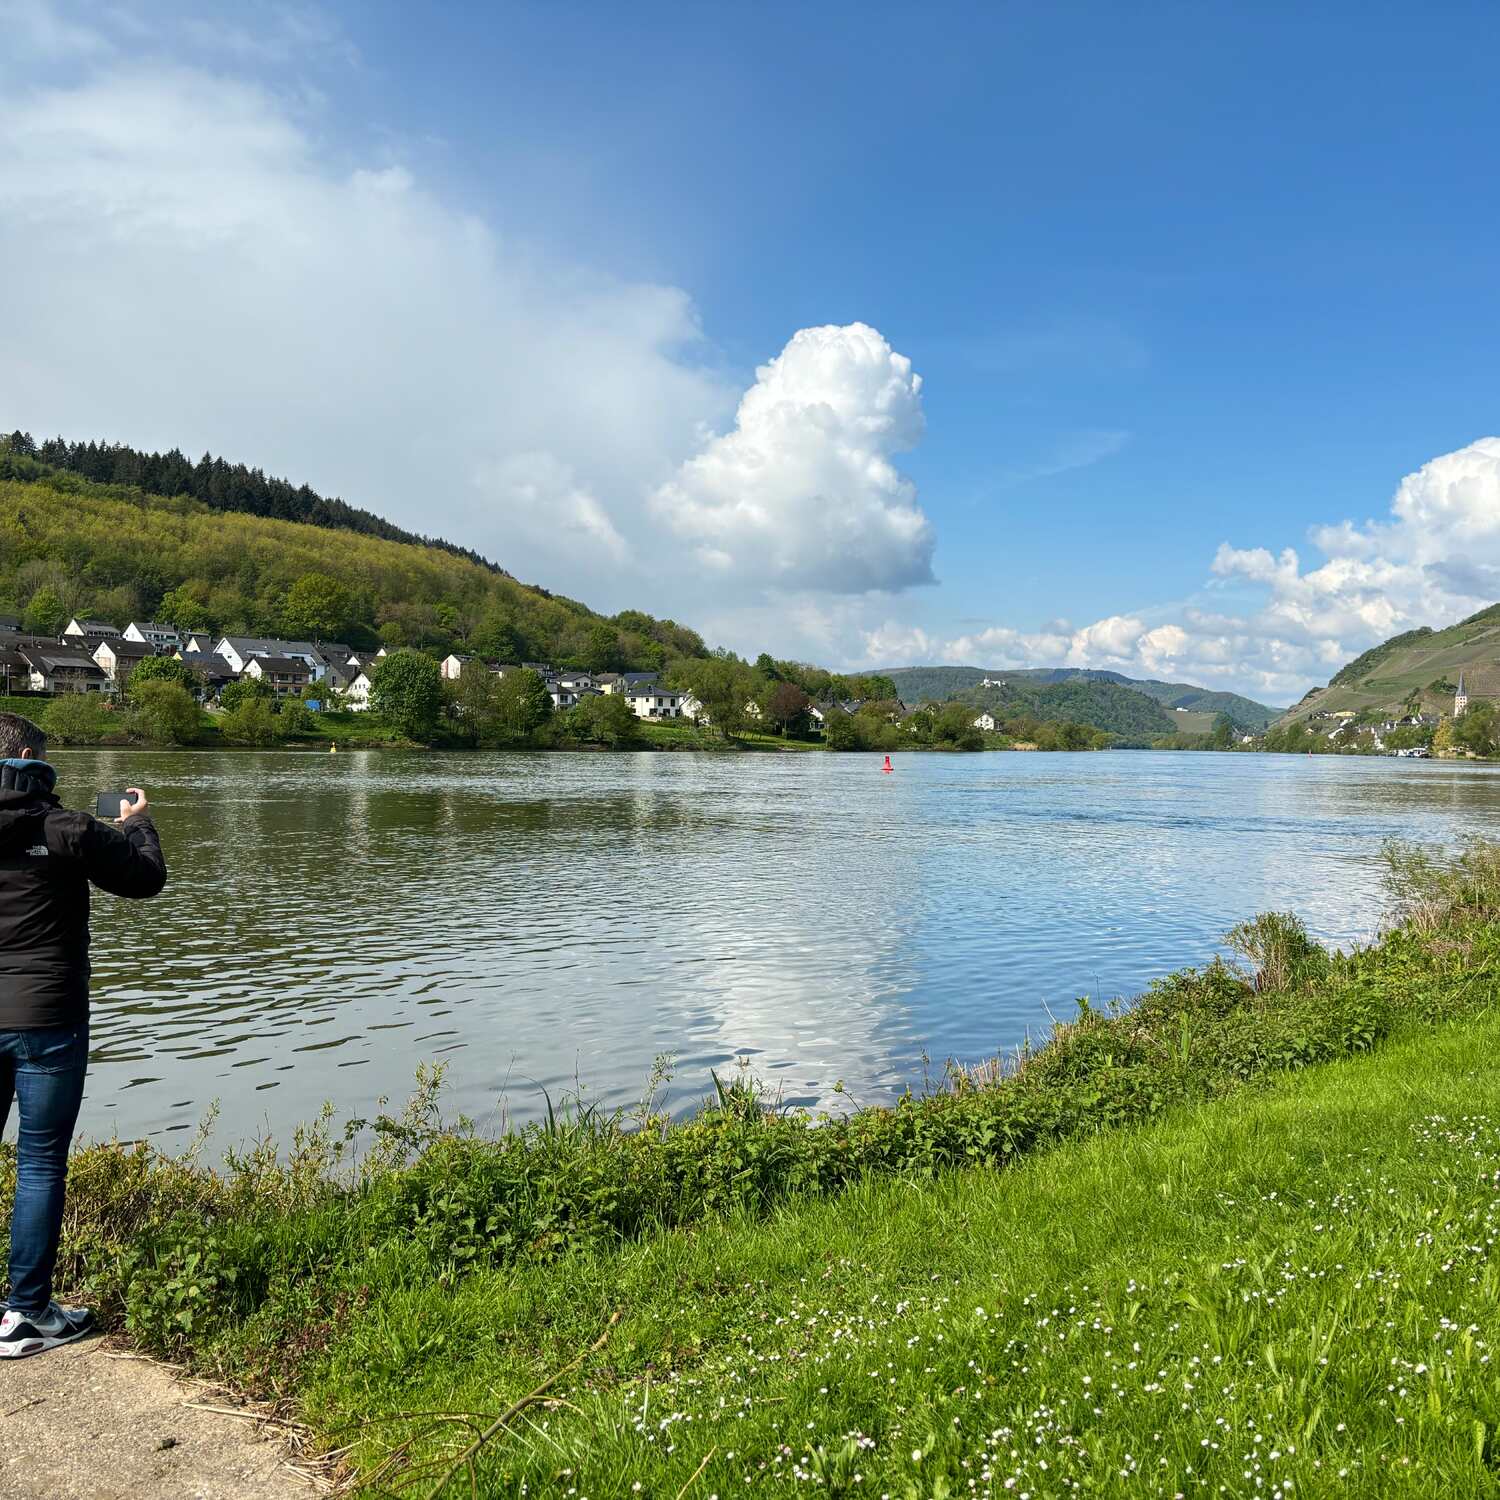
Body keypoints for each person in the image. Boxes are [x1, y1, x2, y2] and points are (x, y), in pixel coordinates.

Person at [0, 711, 166, 1358]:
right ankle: (26, 1313)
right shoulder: (67, 828)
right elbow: (145, 879)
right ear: (32, 760)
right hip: (48, 1017)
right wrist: (135, 823)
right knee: (40, 1162)